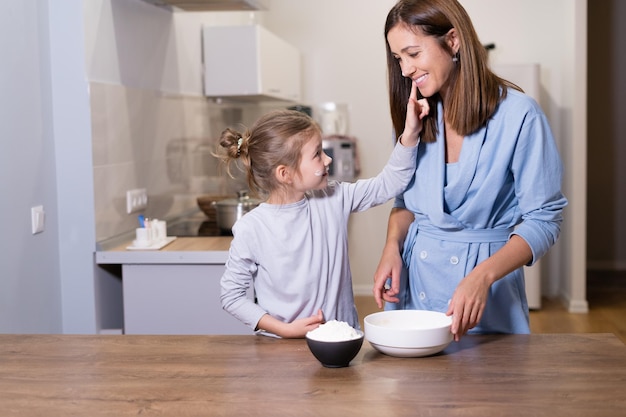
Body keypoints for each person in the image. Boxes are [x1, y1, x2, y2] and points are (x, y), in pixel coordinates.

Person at [373, 0, 568, 342]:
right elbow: (405, 205)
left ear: (452, 41)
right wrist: (392, 246)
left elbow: (545, 218)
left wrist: (483, 276)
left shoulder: (520, 116)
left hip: (486, 296)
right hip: (415, 287)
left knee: (487, 390)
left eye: (413, 54)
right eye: (398, 59)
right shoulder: (414, 118)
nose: (405, 69)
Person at [218, 106, 426, 338]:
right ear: (284, 174)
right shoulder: (252, 228)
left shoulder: (334, 197)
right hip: (280, 349)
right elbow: (231, 296)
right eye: (317, 154)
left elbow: (390, 183)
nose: (328, 159)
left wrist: (410, 134)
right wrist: (285, 330)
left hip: (341, 341)